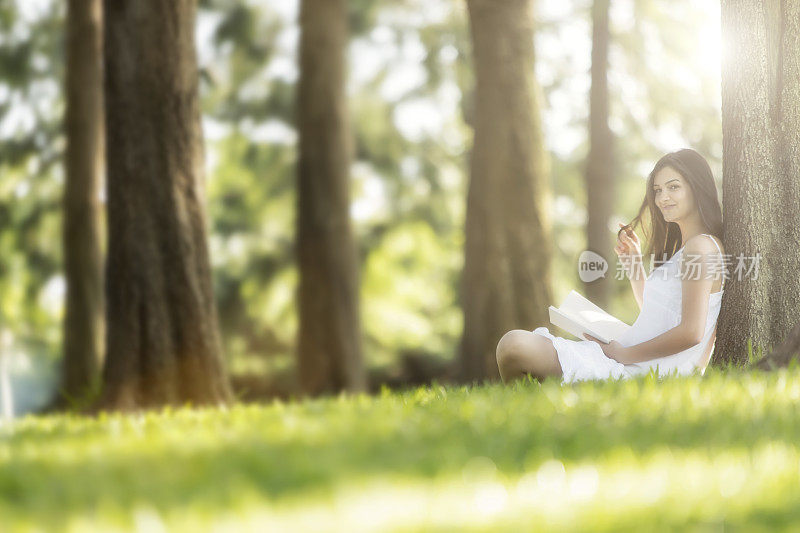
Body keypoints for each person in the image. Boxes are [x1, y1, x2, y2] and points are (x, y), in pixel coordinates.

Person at [496, 148, 726, 384]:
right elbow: (659, 314)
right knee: (512, 347)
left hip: (643, 371)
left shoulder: (701, 247)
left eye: (673, 187)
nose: (662, 198)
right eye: (658, 190)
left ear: (697, 188)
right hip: (635, 362)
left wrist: (622, 354)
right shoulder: (691, 248)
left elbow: (692, 333)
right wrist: (635, 266)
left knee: (514, 345)